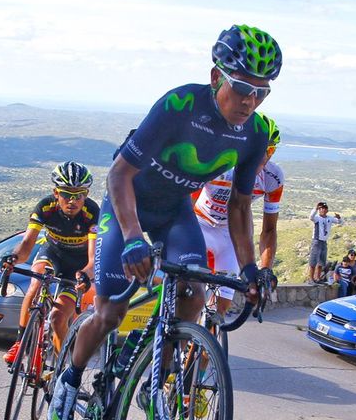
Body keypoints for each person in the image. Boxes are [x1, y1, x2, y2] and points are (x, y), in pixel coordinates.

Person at [49, 23, 282, 420]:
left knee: (192, 291)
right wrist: (133, 236)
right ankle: (69, 382)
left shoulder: (255, 134)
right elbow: (119, 174)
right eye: (243, 88)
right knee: (109, 314)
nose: (250, 101)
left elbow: (241, 208)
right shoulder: (180, 106)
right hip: (129, 204)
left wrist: (250, 269)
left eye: (262, 92)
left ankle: (161, 373)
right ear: (216, 77)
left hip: (175, 209)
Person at [2, 161, 99, 364]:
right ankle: (20, 344)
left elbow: (92, 259)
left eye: (79, 194)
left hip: (76, 266)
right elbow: (27, 244)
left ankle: (62, 368)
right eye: (66, 194)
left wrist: (86, 275)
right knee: (35, 284)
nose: (72, 200)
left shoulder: (92, 212)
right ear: (56, 193)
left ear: (86, 195)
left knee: (57, 318)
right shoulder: (46, 207)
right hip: (52, 253)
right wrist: (12, 258)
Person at [192, 112, 283, 317]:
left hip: (230, 236)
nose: (262, 156)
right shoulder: (219, 164)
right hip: (200, 225)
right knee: (192, 298)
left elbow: (269, 230)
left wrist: (266, 268)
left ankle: (205, 344)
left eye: (269, 150)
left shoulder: (273, 178)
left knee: (221, 309)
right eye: (257, 147)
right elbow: (186, 204)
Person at [307, 202, 343, 284]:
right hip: (316, 241)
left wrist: (339, 217)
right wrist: (315, 208)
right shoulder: (316, 218)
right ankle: (311, 279)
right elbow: (311, 217)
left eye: (324, 208)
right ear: (319, 210)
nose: (322, 209)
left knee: (321, 262)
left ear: (327, 210)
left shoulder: (329, 218)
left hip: (324, 242)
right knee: (313, 262)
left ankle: (318, 278)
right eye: (321, 208)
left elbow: (340, 222)